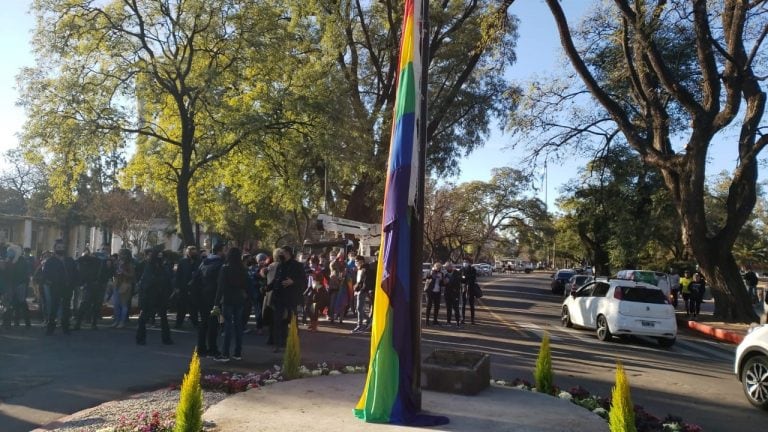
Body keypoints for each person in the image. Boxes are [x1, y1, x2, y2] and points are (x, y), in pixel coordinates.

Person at [267, 245, 305, 352]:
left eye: (282, 252)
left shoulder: (297, 265)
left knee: (293, 320)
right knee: (278, 321)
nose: (281, 254)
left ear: (288, 253)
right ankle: (279, 344)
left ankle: (294, 342)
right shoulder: (280, 265)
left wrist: (293, 282)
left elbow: (303, 281)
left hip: (291, 297)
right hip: (279, 297)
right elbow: (276, 279)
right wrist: (268, 287)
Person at [214, 247, 248, 362]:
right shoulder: (242, 269)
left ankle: (225, 353)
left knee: (227, 326)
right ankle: (238, 353)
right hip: (239, 299)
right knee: (238, 325)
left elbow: (220, 287)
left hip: (228, 299)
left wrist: (216, 302)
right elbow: (246, 284)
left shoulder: (225, 268)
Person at [135, 248, 173, 345]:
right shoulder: (150, 266)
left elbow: (167, 279)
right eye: (158, 256)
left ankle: (166, 338)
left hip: (160, 295)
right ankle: (140, 338)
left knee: (163, 317)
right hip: (150, 295)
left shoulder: (162, 266)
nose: (160, 258)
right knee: (144, 317)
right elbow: (148, 281)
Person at [41, 240, 78, 335]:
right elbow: (45, 275)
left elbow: (75, 273)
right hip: (55, 287)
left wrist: (74, 284)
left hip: (68, 287)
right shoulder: (50, 261)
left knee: (66, 307)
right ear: (55, 249)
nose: (60, 249)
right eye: (58, 248)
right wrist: (50, 283)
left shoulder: (69, 260)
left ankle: (66, 327)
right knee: (53, 307)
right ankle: (50, 328)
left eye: (62, 248)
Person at [196, 243, 225, 357]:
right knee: (213, 323)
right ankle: (213, 348)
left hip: (202, 296)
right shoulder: (220, 265)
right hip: (214, 297)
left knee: (203, 323)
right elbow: (220, 283)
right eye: (224, 250)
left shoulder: (203, 263)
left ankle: (201, 348)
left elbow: (196, 278)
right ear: (220, 251)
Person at [74, 249, 105, 330]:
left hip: (90, 286)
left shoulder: (85, 262)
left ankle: (79, 323)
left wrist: (81, 283)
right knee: (94, 305)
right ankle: (92, 324)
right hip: (95, 286)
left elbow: (82, 272)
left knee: (85, 304)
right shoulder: (99, 262)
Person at [174, 245, 201, 328]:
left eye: (194, 252)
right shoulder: (182, 262)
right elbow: (178, 275)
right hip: (183, 287)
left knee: (193, 307)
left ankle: (195, 322)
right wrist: (177, 287)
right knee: (181, 307)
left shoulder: (199, 262)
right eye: (191, 252)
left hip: (194, 288)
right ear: (188, 253)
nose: (193, 253)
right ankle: (179, 323)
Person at [112, 249, 136, 328]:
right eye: (119, 254)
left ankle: (122, 322)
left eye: (121, 254)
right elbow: (115, 272)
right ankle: (116, 320)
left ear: (126, 255)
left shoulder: (130, 264)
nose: (119, 255)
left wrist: (123, 272)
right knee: (116, 304)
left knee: (123, 304)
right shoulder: (118, 263)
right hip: (117, 284)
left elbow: (132, 275)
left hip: (125, 285)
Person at [352, 255, 374, 333]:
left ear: (361, 261)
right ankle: (368, 320)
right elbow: (359, 281)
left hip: (363, 290)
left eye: (356, 261)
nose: (355, 263)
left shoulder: (365, 269)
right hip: (361, 290)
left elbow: (364, 282)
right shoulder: (360, 269)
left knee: (359, 308)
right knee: (359, 308)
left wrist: (360, 289)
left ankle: (359, 325)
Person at [443, 262, 462, 326]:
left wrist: (450, 282)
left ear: (451, 267)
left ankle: (457, 322)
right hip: (447, 293)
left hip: (455, 293)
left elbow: (458, 282)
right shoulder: (445, 274)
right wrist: (444, 283)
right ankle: (448, 322)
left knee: (456, 308)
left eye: (448, 267)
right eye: (446, 267)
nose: (447, 268)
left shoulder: (457, 273)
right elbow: (442, 284)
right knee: (448, 308)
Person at [460, 259, 478, 324]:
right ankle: (462, 319)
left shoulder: (473, 269)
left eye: (466, 262)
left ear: (469, 263)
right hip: (463, 288)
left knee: (472, 305)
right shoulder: (462, 269)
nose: (465, 263)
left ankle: (472, 320)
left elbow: (473, 278)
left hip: (471, 288)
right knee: (463, 304)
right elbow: (461, 279)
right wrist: (465, 278)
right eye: (464, 262)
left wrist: (465, 277)